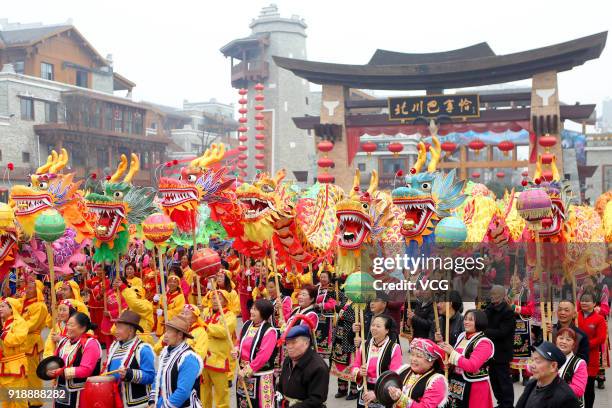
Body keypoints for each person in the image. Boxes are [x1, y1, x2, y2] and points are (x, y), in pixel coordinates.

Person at [439, 309, 494, 408]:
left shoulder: (484, 343)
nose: (466, 322)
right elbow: (457, 359)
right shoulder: (462, 336)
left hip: (474, 386)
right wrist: (449, 364)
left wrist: (452, 353)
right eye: (465, 319)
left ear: (479, 322)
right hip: (456, 383)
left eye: (470, 320)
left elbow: (472, 366)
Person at [46, 312, 102, 408]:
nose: (67, 327)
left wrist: (62, 372)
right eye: (67, 324)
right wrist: (49, 370)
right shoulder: (64, 341)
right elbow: (56, 361)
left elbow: (86, 370)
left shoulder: (90, 344)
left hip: (81, 393)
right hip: (61, 391)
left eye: (71, 325)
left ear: (82, 328)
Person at [148, 315, 203, 408]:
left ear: (180, 335)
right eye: (166, 331)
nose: (165, 335)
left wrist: (164, 407)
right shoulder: (165, 352)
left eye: (169, 331)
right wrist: (153, 401)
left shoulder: (189, 358)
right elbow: (158, 378)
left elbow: (183, 392)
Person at [232, 299, 278, 408]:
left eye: (255, 310)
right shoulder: (247, 324)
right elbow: (239, 341)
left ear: (264, 313)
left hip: (260, 376)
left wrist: (248, 370)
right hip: (243, 373)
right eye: (252, 308)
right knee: (243, 403)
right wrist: (236, 350)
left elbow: (263, 356)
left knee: (259, 404)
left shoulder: (270, 331)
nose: (251, 311)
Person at [105, 310, 156, 408]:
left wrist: (130, 374)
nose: (116, 331)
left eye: (119, 328)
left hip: (137, 403)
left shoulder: (143, 349)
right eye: (116, 327)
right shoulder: (114, 346)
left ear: (131, 330)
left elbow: (151, 376)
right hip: (116, 399)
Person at [352, 314, 403, 408]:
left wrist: (377, 394)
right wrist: (359, 372)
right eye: (373, 325)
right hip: (365, 391)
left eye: (378, 326)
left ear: (387, 330)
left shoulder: (394, 348)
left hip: (384, 392)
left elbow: (394, 376)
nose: (374, 328)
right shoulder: (364, 345)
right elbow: (355, 366)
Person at [515, 341, 580, 408]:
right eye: (532, 360)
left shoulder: (566, 398)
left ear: (553, 366)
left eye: (538, 361)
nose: (532, 365)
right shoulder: (532, 383)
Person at [277, 325, 329, 407]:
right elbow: (280, 387)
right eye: (287, 342)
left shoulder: (318, 367)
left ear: (306, 342)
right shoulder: (288, 360)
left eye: (294, 342)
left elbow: (316, 400)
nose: (289, 346)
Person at [387, 338, 448, 408]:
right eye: (412, 354)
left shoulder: (436, 381)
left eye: (419, 356)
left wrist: (401, 399)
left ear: (431, 361)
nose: (413, 359)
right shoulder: (403, 370)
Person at [201, 289, 237, 408]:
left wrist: (206, 326)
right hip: (203, 358)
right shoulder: (206, 311)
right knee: (204, 394)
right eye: (214, 298)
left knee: (221, 395)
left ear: (226, 301)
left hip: (219, 361)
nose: (215, 300)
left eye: (219, 298)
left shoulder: (230, 315)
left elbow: (224, 331)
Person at [484, 284, 515, 408]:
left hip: (502, 351)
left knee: (504, 381)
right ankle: (500, 403)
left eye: (495, 294)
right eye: (491, 294)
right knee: (494, 380)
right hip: (491, 352)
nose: (492, 297)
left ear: (502, 296)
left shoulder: (508, 312)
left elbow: (503, 332)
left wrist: (485, 332)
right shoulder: (490, 307)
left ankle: (507, 405)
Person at [19, 278, 48, 408]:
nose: (28, 290)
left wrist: (16, 326)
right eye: (27, 287)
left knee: (32, 372)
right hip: (20, 341)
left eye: (31, 288)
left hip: (31, 342)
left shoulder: (40, 306)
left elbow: (31, 324)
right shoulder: (23, 302)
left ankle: (35, 401)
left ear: (37, 291)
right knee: (22, 372)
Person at [577, 291, 607, 408]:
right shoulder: (575, 315)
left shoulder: (599, 319)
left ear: (594, 303)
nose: (584, 302)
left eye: (588, 300)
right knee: (575, 386)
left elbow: (601, 338)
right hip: (575, 355)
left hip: (591, 357)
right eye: (582, 300)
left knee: (588, 388)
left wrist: (584, 344)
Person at [0, 297, 28, 408]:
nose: (0, 308)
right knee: (6, 401)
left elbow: (17, 339)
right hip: (3, 367)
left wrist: (2, 333)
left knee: (19, 400)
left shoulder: (20, 322)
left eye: (3, 306)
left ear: (12, 309)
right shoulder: (3, 323)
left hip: (16, 365)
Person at [115, 279, 155, 345]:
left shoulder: (147, 304)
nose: (132, 295)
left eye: (133, 293)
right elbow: (114, 329)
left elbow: (135, 304)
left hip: (143, 340)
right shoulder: (127, 309)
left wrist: (124, 288)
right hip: (127, 339)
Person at [555, 327, 588, 404]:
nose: (563, 342)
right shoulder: (548, 358)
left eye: (568, 340)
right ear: (556, 340)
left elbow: (578, 390)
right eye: (561, 338)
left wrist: (553, 386)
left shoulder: (580, 363)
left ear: (573, 345)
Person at [314, 270, 337, 359]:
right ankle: (315, 351)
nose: (322, 279)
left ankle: (325, 354)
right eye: (321, 277)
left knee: (325, 335)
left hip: (327, 317)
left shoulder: (331, 288)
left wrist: (321, 305)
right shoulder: (316, 287)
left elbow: (333, 303)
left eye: (325, 277)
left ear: (329, 279)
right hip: (316, 316)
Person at [154, 272, 185, 336]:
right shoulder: (164, 295)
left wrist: (164, 313)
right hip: (162, 323)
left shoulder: (180, 296)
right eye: (170, 282)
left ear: (178, 284)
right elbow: (156, 309)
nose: (172, 284)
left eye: (174, 282)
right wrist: (155, 301)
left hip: (173, 324)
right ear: (167, 283)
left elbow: (179, 310)